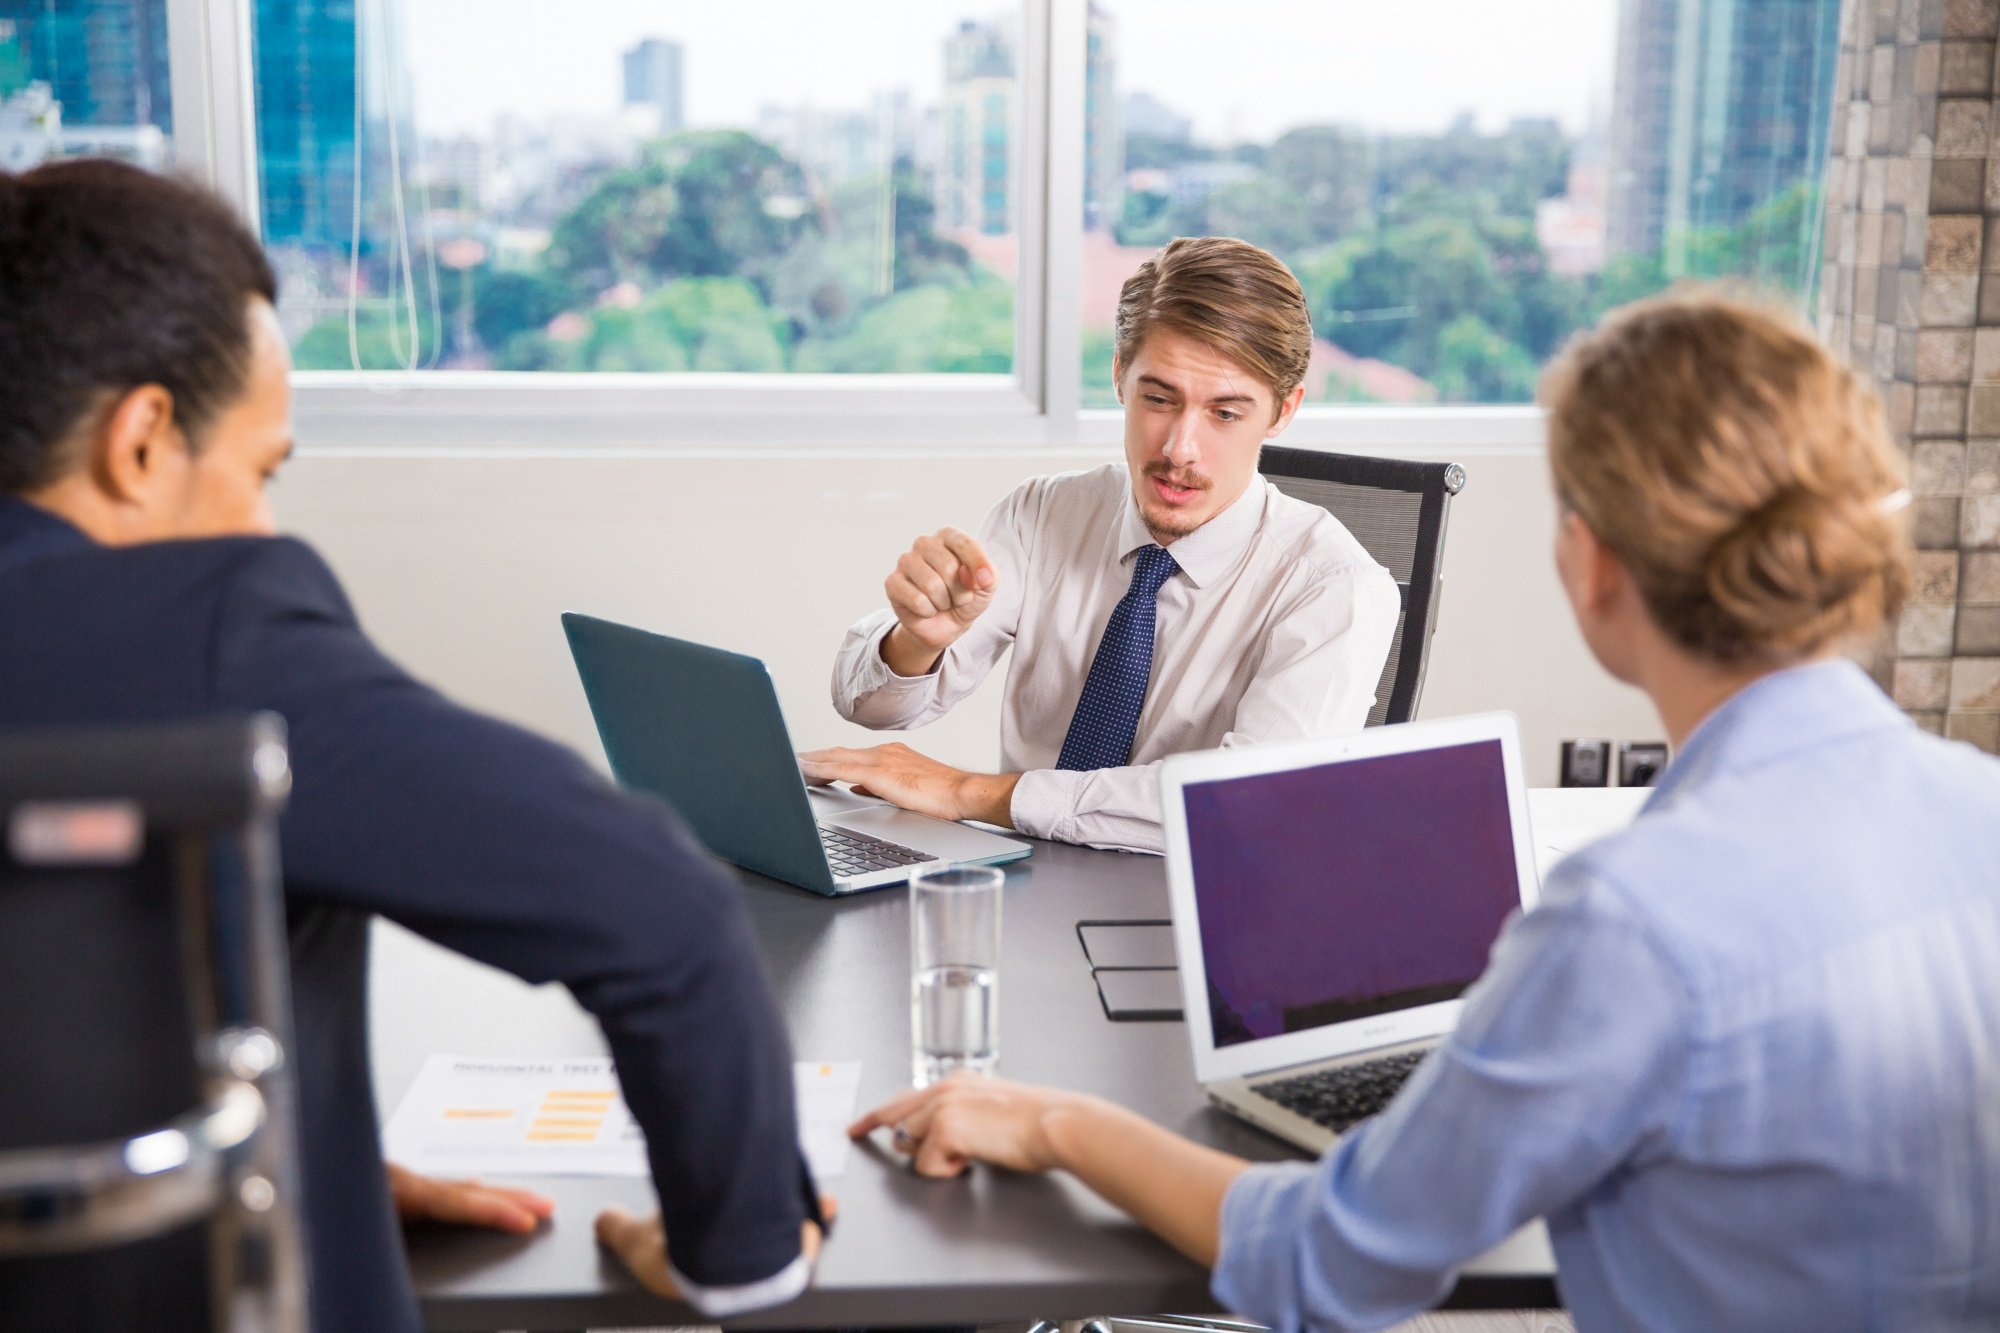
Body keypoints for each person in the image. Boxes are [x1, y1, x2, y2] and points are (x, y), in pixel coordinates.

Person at [848, 291, 2000, 1330]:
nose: (1180, 440)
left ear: (1588, 565)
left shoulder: (1628, 920)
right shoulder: (1981, 810)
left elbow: (1327, 1261)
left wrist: (1051, 1122)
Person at [0, 160, 822, 1330]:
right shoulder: (210, 631)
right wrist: (740, 1257)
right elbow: (662, 913)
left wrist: (305, 1161)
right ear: (140, 444)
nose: (260, 522)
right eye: (259, 470)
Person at [803, 237, 1401, 854]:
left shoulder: (1336, 589)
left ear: (1283, 411)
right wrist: (917, 643)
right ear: (1120, 375)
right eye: (1159, 399)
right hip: (1033, 887)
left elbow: (1249, 809)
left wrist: (972, 794)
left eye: (1225, 414)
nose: (1178, 449)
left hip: (1204, 915)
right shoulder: (1046, 513)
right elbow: (870, 708)